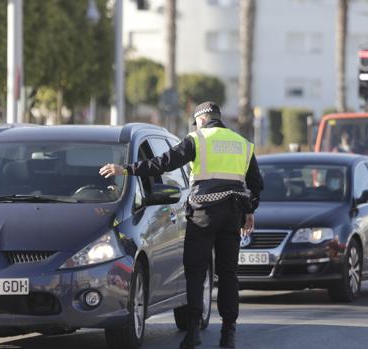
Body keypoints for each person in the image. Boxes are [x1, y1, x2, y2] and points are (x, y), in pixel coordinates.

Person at [99, 101, 263, 349]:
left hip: (203, 215)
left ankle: (193, 331)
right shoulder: (243, 144)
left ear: (200, 120)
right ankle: (228, 334)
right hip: (232, 214)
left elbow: (164, 162)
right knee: (228, 275)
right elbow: (256, 184)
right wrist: (249, 211)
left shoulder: (197, 139)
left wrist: (126, 169)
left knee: (196, 272)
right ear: (218, 118)